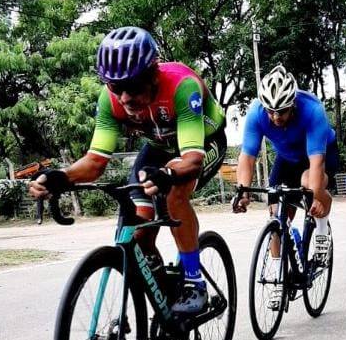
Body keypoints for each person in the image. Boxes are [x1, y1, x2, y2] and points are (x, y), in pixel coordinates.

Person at [30, 26, 227, 315]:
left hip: (202, 144)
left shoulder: (181, 86)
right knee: (139, 235)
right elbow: (95, 161)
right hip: (159, 149)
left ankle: (194, 282)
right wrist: (61, 177)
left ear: (153, 73)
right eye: (114, 86)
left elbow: (191, 159)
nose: (123, 97)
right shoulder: (110, 101)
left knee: (174, 195)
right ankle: (163, 288)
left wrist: (169, 176)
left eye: (131, 86)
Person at [233, 64, 337, 308]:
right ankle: (279, 279)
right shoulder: (257, 114)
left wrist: (317, 197)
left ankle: (321, 232)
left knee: (310, 187)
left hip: (319, 153)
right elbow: (247, 157)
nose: (275, 117)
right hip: (287, 158)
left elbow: (316, 162)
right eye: (271, 111)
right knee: (276, 216)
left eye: (282, 111)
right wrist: (243, 191)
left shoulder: (312, 111)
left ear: (293, 104)